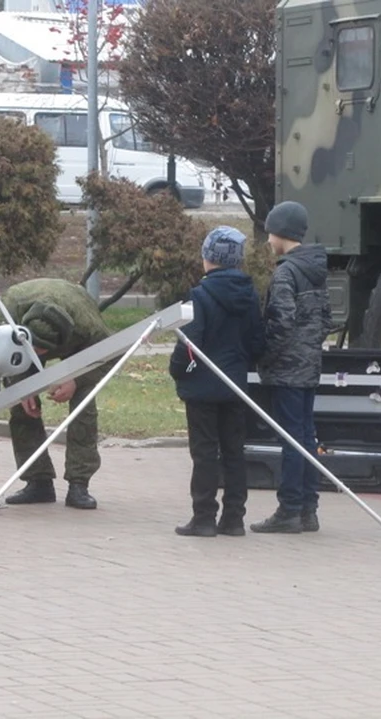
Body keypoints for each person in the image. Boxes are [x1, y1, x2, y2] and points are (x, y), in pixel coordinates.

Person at [169, 226, 266, 537]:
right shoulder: (249, 296)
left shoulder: (199, 296)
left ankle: (204, 516)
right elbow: (257, 341)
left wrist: (177, 370)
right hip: (235, 384)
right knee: (235, 451)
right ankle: (234, 517)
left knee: (205, 452)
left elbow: (189, 342)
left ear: (207, 258)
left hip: (202, 387)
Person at [250, 201, 332, 534]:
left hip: (286, 370)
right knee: (306, 437)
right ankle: (309, 509)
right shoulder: (315, 269)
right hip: (310, 366)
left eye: (270, 232)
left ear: (281, 232)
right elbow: (327, 319)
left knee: (291, 440)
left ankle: (289, 509)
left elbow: (280, 323)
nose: (268, 240)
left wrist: (265, 356)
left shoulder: (286, 272)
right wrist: (309, 347)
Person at [0, 278, 113, 510]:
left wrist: (76, 379)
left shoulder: (88, 325)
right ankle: (38, 481)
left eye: (43, 350)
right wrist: (20, 386)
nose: (38, 354)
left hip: (80, 350)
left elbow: (110, 357)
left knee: (84, 407)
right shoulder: (11, 308)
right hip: (18, 343)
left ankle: (79, 484)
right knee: (21, 408)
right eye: (35, 348)